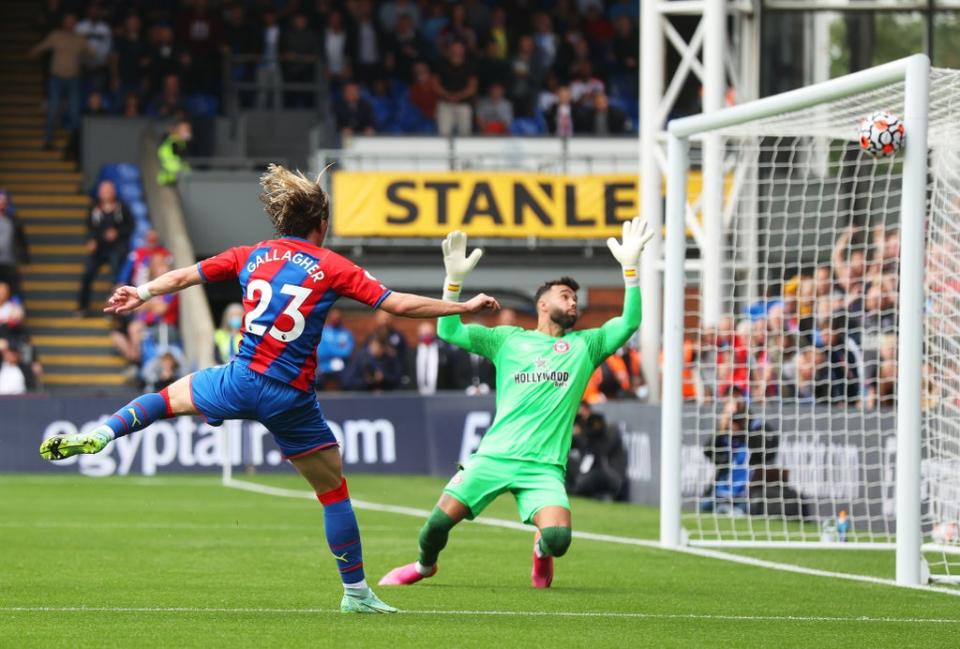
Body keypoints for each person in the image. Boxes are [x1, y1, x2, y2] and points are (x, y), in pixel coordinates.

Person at [39, 164, 500, 614]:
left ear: (285, 222)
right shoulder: (332, 265)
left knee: (165, 398)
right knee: (333, 493)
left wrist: (139, 293)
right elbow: (397, 303)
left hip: (240, 379)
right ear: (321, 225)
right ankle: (357, 594)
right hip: (290, 397)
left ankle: (103, 435)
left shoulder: (250, 254)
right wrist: (462, 303)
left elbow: (184, 277)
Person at [379, 217, 651, 589]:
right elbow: (448, 330)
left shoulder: (585, 346)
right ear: (542, 303)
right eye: (565, 296)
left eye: (575, 298)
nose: (573, 302)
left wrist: (631, 271)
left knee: (559, 540)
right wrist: (453, 283)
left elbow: (630, 321)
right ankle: (425, 567)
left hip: (543, 467)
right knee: (435, 527)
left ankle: (540, 551)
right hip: (494, 456)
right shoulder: (508, 339)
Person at [28, 13, 92, 149]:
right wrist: (34, 51)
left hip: (73, 80)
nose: (70, 23)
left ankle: (76, 144)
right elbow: (42, 46)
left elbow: (92, 53)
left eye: (72, 21)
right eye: (68, 21)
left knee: (74, 112)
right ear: (63, 22)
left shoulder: (80, 39)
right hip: (56, 79)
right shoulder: (55, 35)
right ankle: (48, 141)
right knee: (52, 110)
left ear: (75, 24)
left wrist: (91, 57)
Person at [77, 180, 133, 316]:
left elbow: (130, 226)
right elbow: (90, 228)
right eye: (103, 191)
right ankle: (82, 307)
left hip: (117, 248)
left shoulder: (121, 207)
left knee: (115, 276)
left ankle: (114, 309)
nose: (106, 194)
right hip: (99, 248)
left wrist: (117, 233)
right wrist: (91, 240)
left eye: (109, 190)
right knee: (87, 274)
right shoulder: (94, 208)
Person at [315, 308, 353, 389]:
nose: (336, 320)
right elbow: (321, 352)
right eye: (334, 317)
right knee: (316, 384)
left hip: (342, 368)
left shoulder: (347, 334)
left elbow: (347, 353)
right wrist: (338, 349)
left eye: (338, 317)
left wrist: (329, 348)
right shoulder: (324, 332)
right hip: (324, 368)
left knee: (349, 383)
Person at [0, 191, 30, 296]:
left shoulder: (14, 220)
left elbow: (22, 242)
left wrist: (25, 261)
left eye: (3, 200)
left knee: (14, 291)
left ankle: (17, 311)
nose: (1, 202)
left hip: (10, 263)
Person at [157, 119, 192, 186]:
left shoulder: (182, 144)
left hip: (180, 182)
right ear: (176, 130)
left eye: (188, 129)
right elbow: (170, 164)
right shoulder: (169, 144)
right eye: (184, 129)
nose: (187, 132)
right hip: (168, 183)